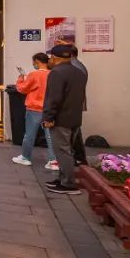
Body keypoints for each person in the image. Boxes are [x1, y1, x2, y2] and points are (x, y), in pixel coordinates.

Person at [42, 44, 88, 195]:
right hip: (74, 118)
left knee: (62, 151)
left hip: (60, 119)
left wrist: (48, 117)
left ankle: (68, 184)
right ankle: (62, 179)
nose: (50, 60)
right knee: (68, 150)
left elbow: (53, 98)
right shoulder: (79, 72)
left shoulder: (56, 73)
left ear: (55, 58)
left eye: (50, 58)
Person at [13, 52, 58, 170]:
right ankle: (53, 161)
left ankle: (25, 157)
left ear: (37, 62)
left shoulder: (34, 75)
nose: (33, 64)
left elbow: (22, 89)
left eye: (34, 62)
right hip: (49, 109)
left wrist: (21, 78)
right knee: (50, 136)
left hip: (34, 108)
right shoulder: (53, 74)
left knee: (29, 135)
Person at [68, 44, 88, 166]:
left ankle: (71, 159)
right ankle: (80, 157)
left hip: (72, 103)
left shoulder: (74, 67)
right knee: (75, 131)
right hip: (75, 102)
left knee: (70, 133)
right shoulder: (78, 65)